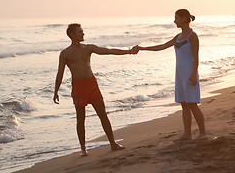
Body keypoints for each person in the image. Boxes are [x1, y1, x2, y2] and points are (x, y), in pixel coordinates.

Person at [54, 23, 139, 156]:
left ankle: (113, 144)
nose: (83, 34)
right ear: (72, 35)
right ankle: (83, 149)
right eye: (80, 32)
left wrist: (129, 51)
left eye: (82, 31)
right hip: (78, 87)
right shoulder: (65, 53)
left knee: (102, 114)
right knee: (80, 118)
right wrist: (56, 91)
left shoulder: (88, 48)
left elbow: (108, 51)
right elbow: (60, 73)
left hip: (91, 84)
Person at [138, 9, 207, 140]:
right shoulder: (178, 37)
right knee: (184, 104)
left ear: (185, 19)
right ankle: (187, 134)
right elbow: (162, 46)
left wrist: (193, 74)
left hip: (190, 73)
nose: (174, 21)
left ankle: (203, 133)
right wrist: (143, 48)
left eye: (177, 18)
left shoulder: (192, 36)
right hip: (180, 75)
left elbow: (196, 57)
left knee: (192, 104)